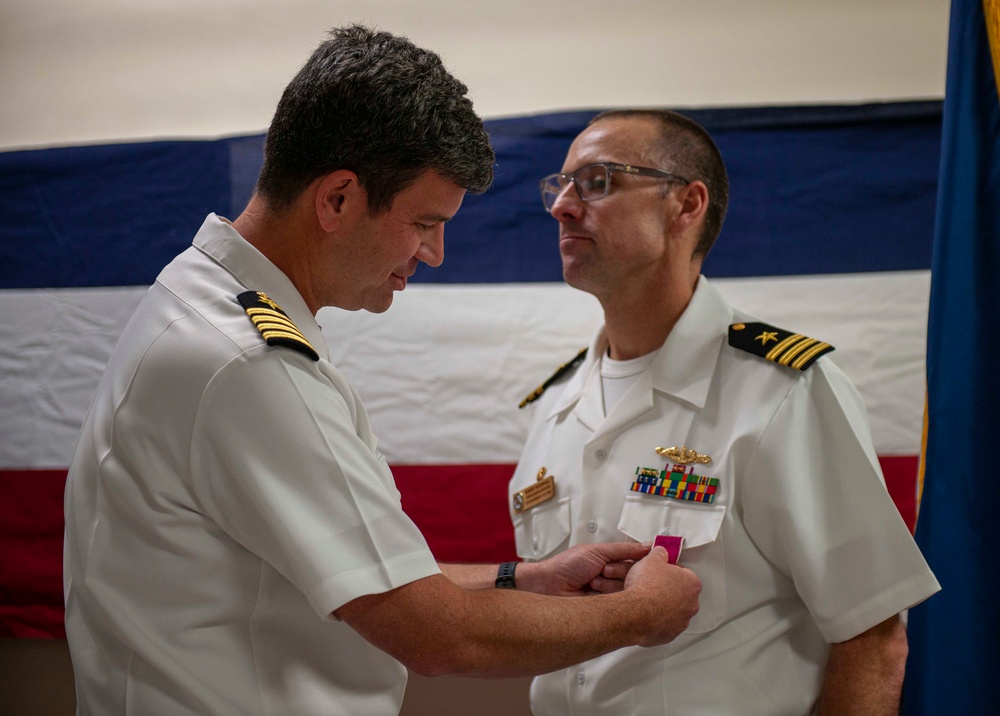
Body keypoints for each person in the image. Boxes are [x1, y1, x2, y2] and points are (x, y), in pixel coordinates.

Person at [62, 29, 703, 716]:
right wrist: (639, 616)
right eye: (425, 222)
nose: (435, 254)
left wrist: (523, 579)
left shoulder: (200, 303)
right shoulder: (246, 363)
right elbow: (433, 636)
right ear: (338, 199)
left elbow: (367, 576)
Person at [509, 108, 941, 716]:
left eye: (599, 181)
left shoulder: (783, 391)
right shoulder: (555, 407)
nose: (563, 206)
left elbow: (871, 635)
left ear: (686, 205)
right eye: (560, 186)